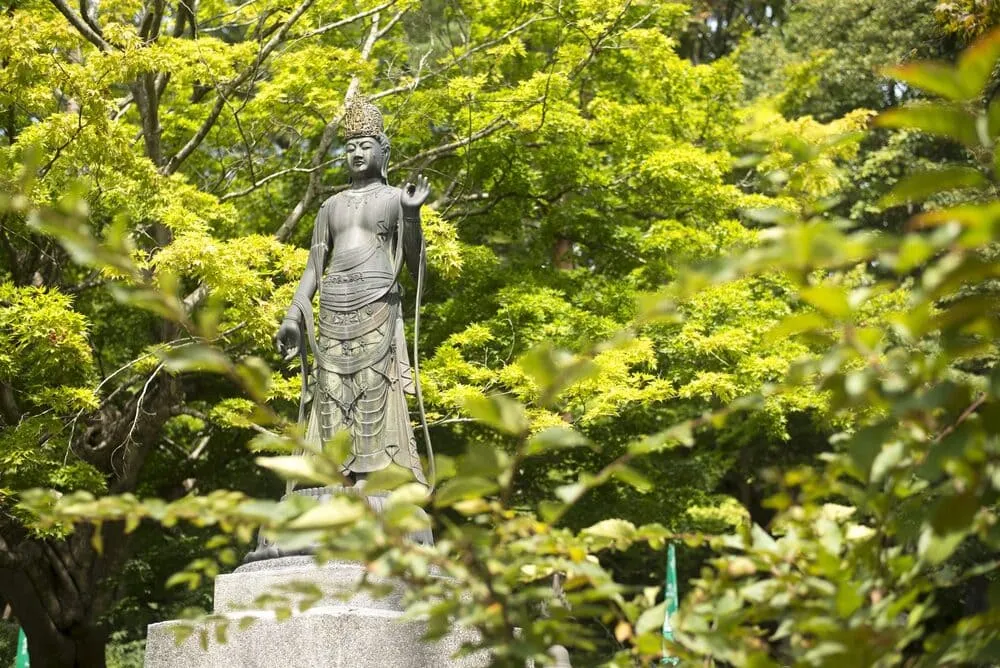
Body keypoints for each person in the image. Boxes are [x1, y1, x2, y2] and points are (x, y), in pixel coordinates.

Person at [276, 97, 429, 487]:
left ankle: (371, 475)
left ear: (384, 149)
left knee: (373, 386)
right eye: (350, 147)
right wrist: (294, 315)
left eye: (366, 145)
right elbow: (314, 267)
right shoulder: (330, 206)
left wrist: (411, 216)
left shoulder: (396, 199)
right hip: (332, 308)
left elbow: (415, 266)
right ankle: (333, 474)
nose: (357, 153)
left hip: (377, 303)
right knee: (329, 392)